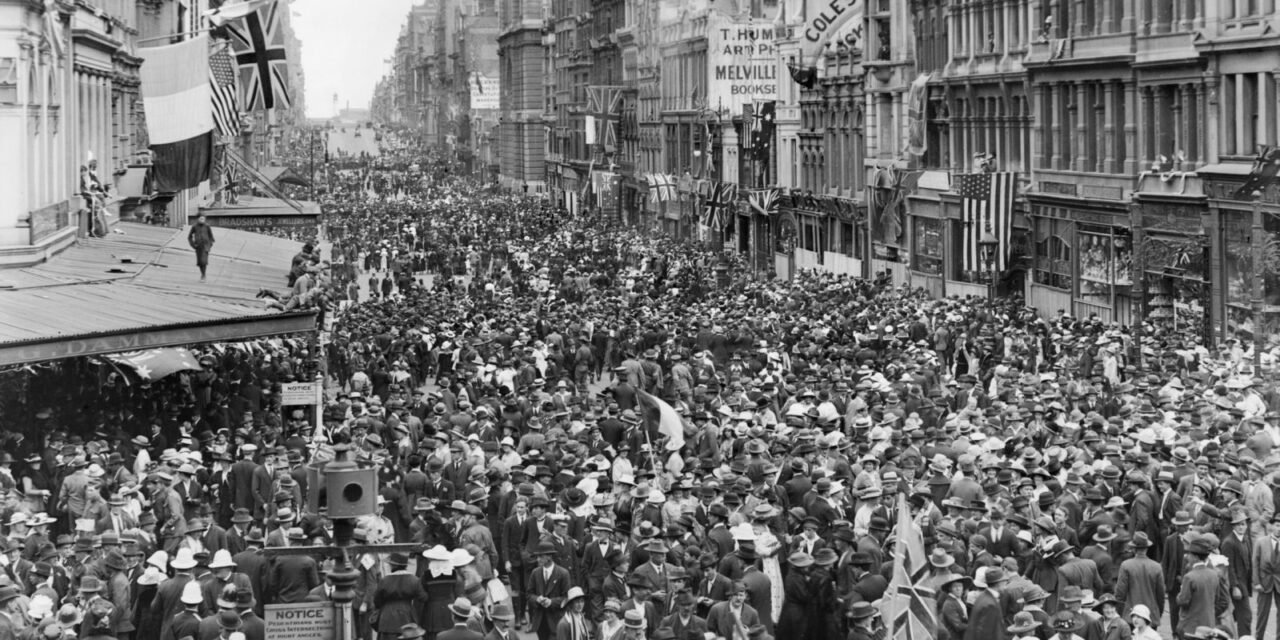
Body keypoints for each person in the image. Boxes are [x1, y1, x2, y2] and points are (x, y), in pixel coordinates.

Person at [189, 213, 216, 281]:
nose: (202, 220)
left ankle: (203, 275)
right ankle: (202, 274)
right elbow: (189, 237)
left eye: (203, 219)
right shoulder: (194, 227)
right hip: (198, 246)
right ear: (198, 219)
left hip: (205, 246)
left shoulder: (207, 226)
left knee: (204, 261)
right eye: (201, 218)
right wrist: (193, 245)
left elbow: (211, 237)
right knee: (200, 262)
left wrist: (210, 244)